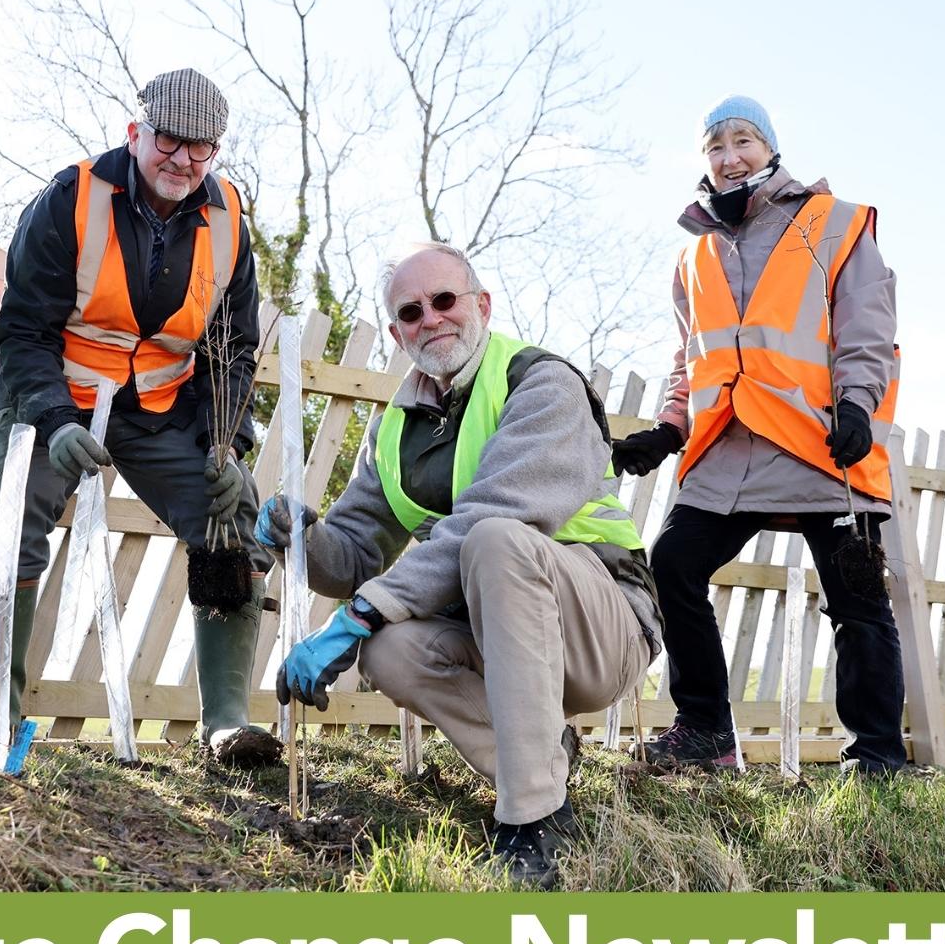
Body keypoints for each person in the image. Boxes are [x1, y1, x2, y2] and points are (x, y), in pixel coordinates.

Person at [264, 243, 662, 886]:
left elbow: (489, 520)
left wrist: (358, 613)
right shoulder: (393, 428)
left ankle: (531, 822)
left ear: (481, 304)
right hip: (499, 639)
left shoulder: (541, 383)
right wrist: (300, 539)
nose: (432, 319)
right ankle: (542, 755)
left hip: (602, 625)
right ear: (396, 333)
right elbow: (357, 550)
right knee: (389, 650)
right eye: (411, 311)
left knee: (496, 538)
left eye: (445, 300)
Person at [0, 68, 279, 766]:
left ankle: (225, 726)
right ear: (137, 133)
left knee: (233, 522)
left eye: (202, 148)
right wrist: (54, 419)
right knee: (9, 520)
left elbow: (233, 346)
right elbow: (22, 329)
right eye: (169, 140)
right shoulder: (73, 198)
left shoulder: (229, 219)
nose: (182, 161)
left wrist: (230, 442)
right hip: (60, 400)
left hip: (163, 411)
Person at [612, 95, 907, 775]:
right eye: (714, 146)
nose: (728, 155)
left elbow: (868, 330)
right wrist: (667, 428)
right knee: (672, 566)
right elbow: (691, 357)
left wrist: (857, 408)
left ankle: (879, 758)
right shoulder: (695, 256)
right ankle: (706, 731)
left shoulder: (834, 224)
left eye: (742, 140)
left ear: (771, 148)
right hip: (729, 452)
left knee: (857, 598)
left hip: (820, 444)